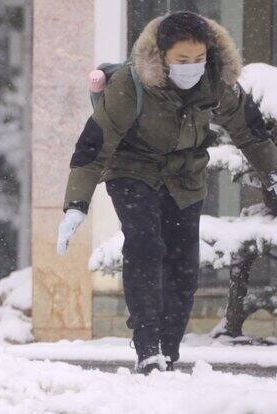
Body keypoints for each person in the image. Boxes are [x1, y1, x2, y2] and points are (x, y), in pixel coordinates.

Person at [57, 12, 277, 374]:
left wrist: (272, 174)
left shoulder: (216, 79)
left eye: (198, 59)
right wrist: (76, 205)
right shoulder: (132, 82)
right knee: (144, 245)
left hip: (185, 177)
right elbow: (95, 144)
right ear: (162, 57)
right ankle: (147, 348)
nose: (192, 67)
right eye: (182, 60)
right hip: (133, 171)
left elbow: (249, 130)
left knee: (183, 267)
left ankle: (168, 351)